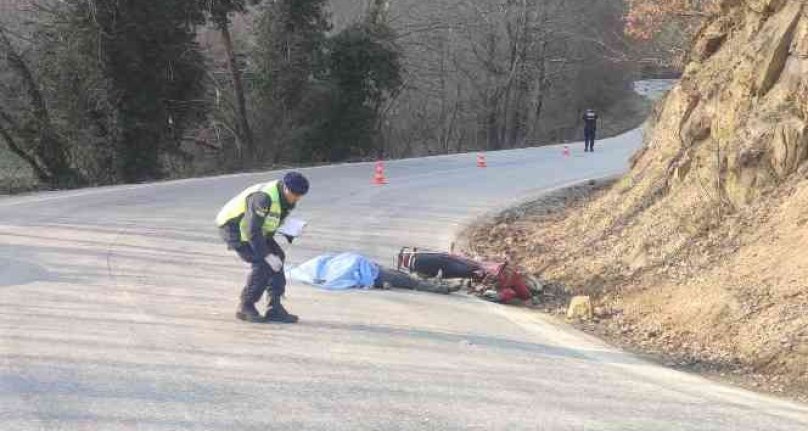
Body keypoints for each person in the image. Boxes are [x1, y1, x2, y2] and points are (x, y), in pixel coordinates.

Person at [216, 172, 310, 323]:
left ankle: (274, 307)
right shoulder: (263, 197)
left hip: (254, 229)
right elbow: (251, 229)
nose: (297, 198)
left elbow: (271, 218)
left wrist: (289, 229)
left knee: (278, 256)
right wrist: (266, 255)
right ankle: (245, 306)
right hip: (234, 226)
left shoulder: (286, 198)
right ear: (285, 188)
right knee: (263, 263)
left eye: (300, 195)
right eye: (294, 194)